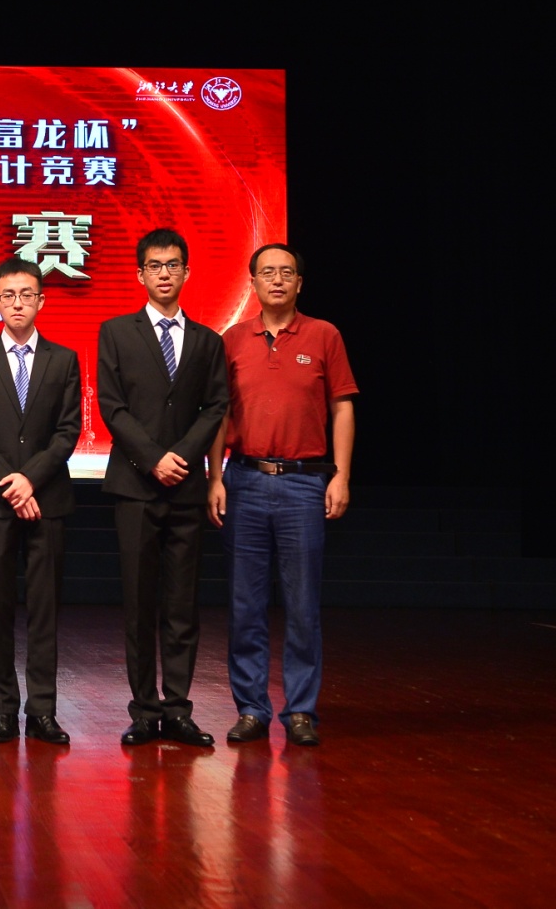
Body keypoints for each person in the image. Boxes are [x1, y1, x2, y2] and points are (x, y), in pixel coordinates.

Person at [208, 243, 357, 747]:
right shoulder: (233, 339)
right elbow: (218, 415)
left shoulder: (324, 335)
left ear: (299, 283)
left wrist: (340, 475)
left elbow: (342, 407)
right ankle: (251, 709)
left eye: (286, 272)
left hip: (303, 482)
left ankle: (300, 711)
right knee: (245, 604)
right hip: (245, 480)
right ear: (252, 282)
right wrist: (214, 478)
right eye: (267, 272)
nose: (276, 280)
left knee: (302, 604)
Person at [97, 227, 229, 748]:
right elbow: (112, 406)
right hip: (135, 486)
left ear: (187, 272)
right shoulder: (116, 331)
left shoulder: (207, 341)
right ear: (140, 274)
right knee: (139, 604)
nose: (165, 273)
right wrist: (153, 459)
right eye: (155, 265)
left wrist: (184, 458)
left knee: (182, 605)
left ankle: (178, 710)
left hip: (186, 490)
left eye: (173, 265)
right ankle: (143, 711)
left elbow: (215, 406)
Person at [0, 257, 82, 745]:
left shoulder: (63, 359)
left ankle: (43, 711)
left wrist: (31, 480)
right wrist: (10, 485)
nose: (17, 303)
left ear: (41, 301)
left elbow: (68, 431)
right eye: (8, 295)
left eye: (26, 295)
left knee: (45, 611)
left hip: (48, 500)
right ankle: (4, 711)